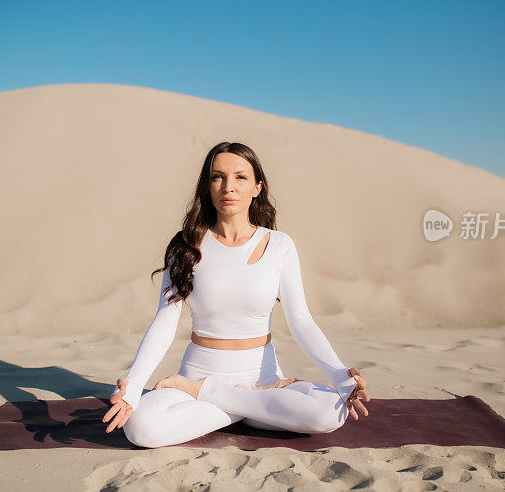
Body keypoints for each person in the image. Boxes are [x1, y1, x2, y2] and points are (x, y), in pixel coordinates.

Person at [101, 141, 370, 448]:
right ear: (208, 185)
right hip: (198, 374)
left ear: (258, 187)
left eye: (240, 177)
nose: (228, 186)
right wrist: (133, 387)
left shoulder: (280, 244)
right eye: (218, 177)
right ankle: (250, 409)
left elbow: (301, 320)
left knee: (333, 413)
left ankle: (217, 397)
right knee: (141, 429)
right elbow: (165, 318)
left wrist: (340, 377)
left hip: (261, 380)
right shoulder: (186, 245)